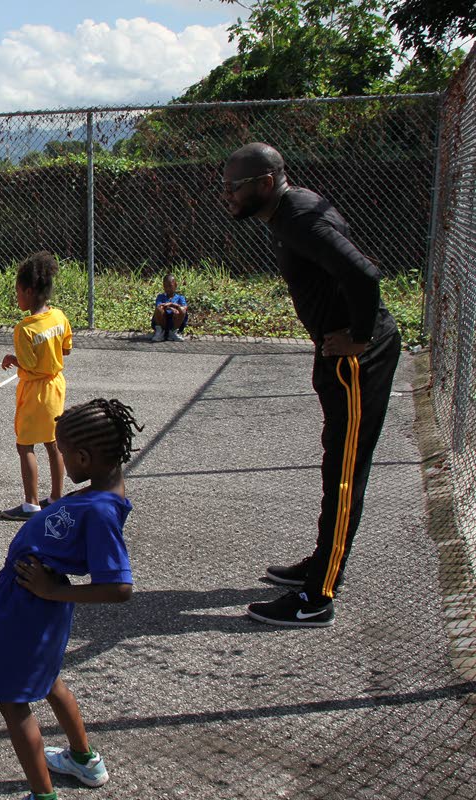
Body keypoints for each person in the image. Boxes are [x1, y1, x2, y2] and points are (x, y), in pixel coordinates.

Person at [222, 142, 402, 627]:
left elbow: (364, 274)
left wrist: (360, 338)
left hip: (357, 361)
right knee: (334, 464)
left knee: (344, 473)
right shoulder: (287, 214)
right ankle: (321, 564)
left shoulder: (301, 217)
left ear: (264, 182)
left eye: (234, 187)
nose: (227, 197)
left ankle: (317, 596)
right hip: (338, 356)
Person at [0, 399, 141, 798]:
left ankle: (43, 795)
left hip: (29, 607)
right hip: (31, 603)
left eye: (63, 453)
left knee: (13, 704)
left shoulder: (101, 510)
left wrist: (53, 591)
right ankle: (83, 760)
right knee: (49, 681)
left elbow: (119, 587)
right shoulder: (97, 494)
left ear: (84, 456)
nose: (61, 460)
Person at [1, 253, 73, 521]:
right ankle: (56, 496)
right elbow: (65, 350)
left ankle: (31, 503)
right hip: (56, 386)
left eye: (18, 292)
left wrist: (13, 359)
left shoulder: (24, 329)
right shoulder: (59, 317)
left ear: (29, 292)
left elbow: (29, 366)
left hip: (35, 391)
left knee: (25, 446)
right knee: (53, 443)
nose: (17, 297)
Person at [150, 274, 188, 342]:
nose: (168, 288)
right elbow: (159, 306)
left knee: (182, 310)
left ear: (175, 285)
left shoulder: (180, 297)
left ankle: (173, 332)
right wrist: (170, 308)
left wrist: (172, 305)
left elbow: (184, 307)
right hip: (163, 321)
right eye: (165, 286)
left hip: (175, 321)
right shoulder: (160, 297)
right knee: (158, 309)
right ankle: (161, 332)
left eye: (170, 286)